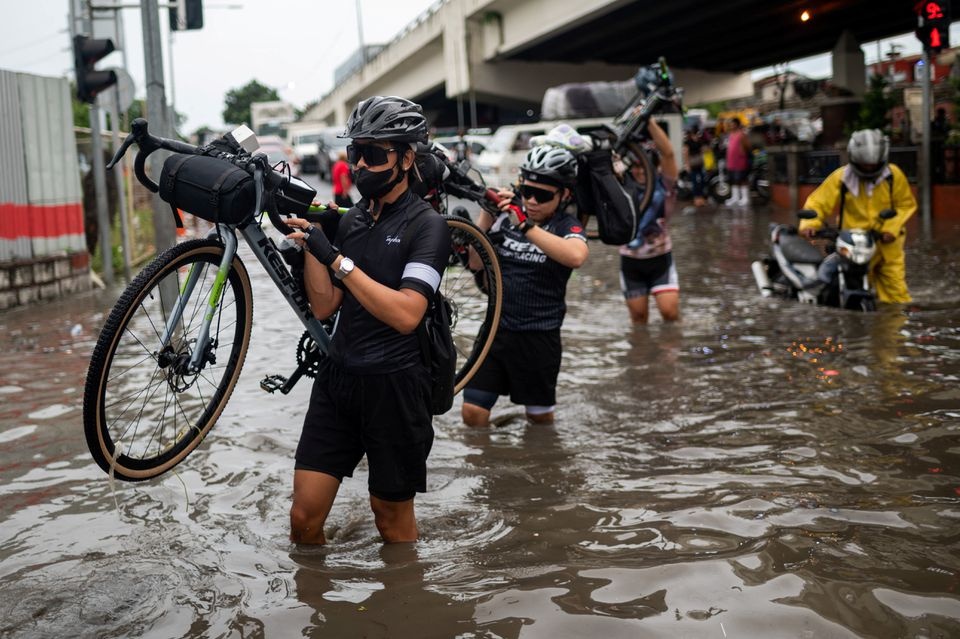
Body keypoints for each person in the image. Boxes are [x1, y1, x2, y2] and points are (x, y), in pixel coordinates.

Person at [284, 95, 451, 545]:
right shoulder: (354, 218)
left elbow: (407, 313)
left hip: (396, 386)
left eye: (374, 155)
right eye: (355, 153)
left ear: (407, 158)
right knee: (303, 518)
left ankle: (403, 609)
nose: (360, 166)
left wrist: (336, 260)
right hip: (339, 379)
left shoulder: (428, 227)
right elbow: (324, 307)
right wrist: (316, 243)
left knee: (391, 521)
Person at [461, 143, 589, 428]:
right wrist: (488, 214)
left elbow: (577, 256)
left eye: (542, 195)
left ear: (564, 195)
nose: (531, 201)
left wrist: (526, 227)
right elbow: (475, 264)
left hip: (539, 339)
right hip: (496, 332)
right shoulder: (507, 217)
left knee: (540, 423)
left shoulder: (565, 225)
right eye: (526, 191)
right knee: (472, 414)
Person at [799, 129, 916, 304]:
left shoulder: (893, 176)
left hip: (887, 244)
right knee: (851, 287)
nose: (869, 168)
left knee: (896, 293)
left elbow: (905, 204)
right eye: (864, 164)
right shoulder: (841, 178)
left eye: (873, 164)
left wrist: (890, 228)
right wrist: (810, 224)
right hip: (854, 243)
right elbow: (818, 203)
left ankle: (894, 327)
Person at [619, 118, 680, 324]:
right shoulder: (622, 187)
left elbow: (669, 154)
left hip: (660, 259)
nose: (639, 171)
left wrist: (649, 122)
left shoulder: (665, 185)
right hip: (630, 262)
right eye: (635, 166)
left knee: (669, 313)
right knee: (639, 318)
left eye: (644, 166)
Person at [724, 117, 752, 207]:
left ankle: (745, 198)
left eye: (733, 124)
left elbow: (748, 146)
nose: (731, 125)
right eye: (730, 124)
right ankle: (735, 197)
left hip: (740, 160)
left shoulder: (742, 135)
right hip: (731, 161)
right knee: (733, 180)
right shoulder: (731, 134)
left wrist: (742, 151)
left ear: (737, 124)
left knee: (742, 179)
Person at [684, 124, 707, 207]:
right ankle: (696, 199)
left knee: (701, 181)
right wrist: (687, 164)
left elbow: (702, 151)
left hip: (699, 163)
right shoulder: (688, 142)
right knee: (695, 182)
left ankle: (700, 198)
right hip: (693, 163)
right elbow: (686, 153)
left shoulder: (699, 141)